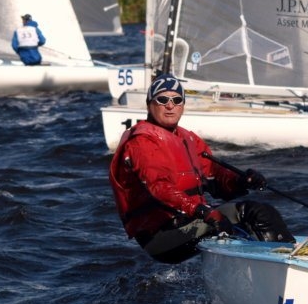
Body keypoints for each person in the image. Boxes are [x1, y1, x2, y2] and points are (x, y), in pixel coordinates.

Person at [109, 73, 295, 264]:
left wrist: (242, 181)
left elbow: (216, 177)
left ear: (183, 105)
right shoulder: (142, 141)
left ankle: (288, 259)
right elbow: (160, 187)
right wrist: (204, 212)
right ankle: (281, 266)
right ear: (150, 104)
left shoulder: (187, 139)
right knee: (246, 215)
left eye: (176, 100)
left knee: (262, 212)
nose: (170, 105)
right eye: (162, 100)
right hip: (160, 236)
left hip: (190, 220)